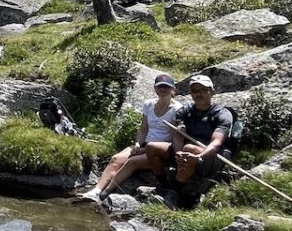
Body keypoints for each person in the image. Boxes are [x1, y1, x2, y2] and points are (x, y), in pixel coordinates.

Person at [79, 73, 180, 203]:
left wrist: (145, 150)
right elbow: (144, 128)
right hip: (144, 145)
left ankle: (105, 193)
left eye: (166, 87)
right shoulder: (148, 104)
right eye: (160, 87)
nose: (163, 90)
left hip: (159, 150)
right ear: (155, 88)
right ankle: (96, 190)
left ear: (173, 89)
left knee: (132, 162)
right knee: (116, 159)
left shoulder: (177, 109)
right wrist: (138, 144)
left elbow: (173, 138)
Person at [146, 74, 233, 207]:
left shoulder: (222, 114)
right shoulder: (184, 111)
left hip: (211, 156)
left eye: (203, 90)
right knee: (152, 147)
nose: (198, 94)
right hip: (186, 150)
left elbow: (216, 143)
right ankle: (164, 185)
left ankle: (175, 191)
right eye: (194, 91)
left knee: (190, 149)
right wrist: (177, 153)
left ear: (212, 92)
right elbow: (179, 134)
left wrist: (198, 157)